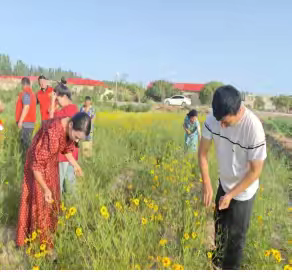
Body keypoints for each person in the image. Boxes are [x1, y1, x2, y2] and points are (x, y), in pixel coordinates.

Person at [198, 85, 267, 270]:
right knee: (219, 230)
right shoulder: (214, 119)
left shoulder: (253, 128)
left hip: (243, 192)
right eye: (219, 120)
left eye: (226, 122)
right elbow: (202, 154)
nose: (221, 125)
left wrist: (231, 195)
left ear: (238, 111)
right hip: (224, 184)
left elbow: (255, 171)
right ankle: (216, 265)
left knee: (236, 240)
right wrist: (207, 184)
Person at [16, 112, 91, 254]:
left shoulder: (69, 129)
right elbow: (36, 166)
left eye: (79, 139)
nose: (76, 141)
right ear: (70, 125)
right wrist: (45, 188)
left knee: (52, 200)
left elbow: (66, 149)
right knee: (40, 201)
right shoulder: (53, 132)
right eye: (76, 137)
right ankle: (38, 243)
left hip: (50, 164)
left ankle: (48, 237)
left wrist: (76, 165)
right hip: (37, 165)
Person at [51, 83, 79, 196]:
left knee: (59, 184)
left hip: (64, 154)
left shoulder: (69, 110)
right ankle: (71, 208)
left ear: (64, 96)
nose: (57, 101)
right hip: (69, 153)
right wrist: (54, 103)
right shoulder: (69, 109)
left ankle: (59, 210)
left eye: (57, 98)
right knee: (70, 183)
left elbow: (51, 123)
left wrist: (53, 103)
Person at [15, 77, 37, 161]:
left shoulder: (26, 93)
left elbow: (27, 107)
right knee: (26, 144)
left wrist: (20, 121)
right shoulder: (32, 94)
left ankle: (27, 164)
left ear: (23, 84)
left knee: (25, 146)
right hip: (29, 123)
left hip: (25, 123)